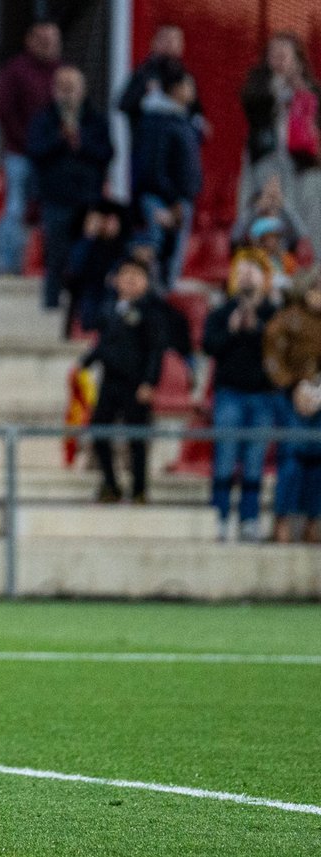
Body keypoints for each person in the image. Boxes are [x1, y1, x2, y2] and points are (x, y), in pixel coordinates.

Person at [203, 257, 281, 542]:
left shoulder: (274, 314)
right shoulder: (221, 312)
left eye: (253, 272)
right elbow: (209, 346)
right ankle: (220, 516)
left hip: (263, 396)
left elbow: (280, 349)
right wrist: (232, 330)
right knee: (224, 457)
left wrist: (257, 329)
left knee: (254, 461)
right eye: (242, 272)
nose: (247, 277)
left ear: (265, 278)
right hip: (229, 394)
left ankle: (249, 518)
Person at [81, 257, 167, 504]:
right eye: (125, 274)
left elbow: (155, 350)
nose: (130, 279)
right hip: (110, 382)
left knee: (137, 438)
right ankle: (110, 483)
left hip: (136, 383)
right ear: (116, 280)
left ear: (146, 281)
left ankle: (139, 488)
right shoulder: (109, 309)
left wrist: (149, 382)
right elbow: (103, 343)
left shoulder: (151, 311)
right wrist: (87, 362)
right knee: (99, 430)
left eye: (137, 275)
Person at [27, 65, 113, 311]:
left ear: (82, 90)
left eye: (71, 88)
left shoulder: (95, 119)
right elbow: (35, 151)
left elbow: (107, 153)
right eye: (61, 88)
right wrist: (60, 139)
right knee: (55, 257)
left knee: (86, 256)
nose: (66, 94)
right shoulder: (44, 119)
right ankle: (51, 306)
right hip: (55, 199)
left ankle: (82, 310)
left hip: (87, 198)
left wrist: (80, 142)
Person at [0, 20, 61, 275]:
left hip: (52, 156)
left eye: (52, 40)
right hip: (20, 153)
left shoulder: (61, 73)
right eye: (43, 40)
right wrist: (27, 142)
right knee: (15, 208)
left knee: (52, 211)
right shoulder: (16, 71)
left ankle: (48, 266)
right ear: (29, 41)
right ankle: (8, 266)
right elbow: (4, 110)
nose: (48, 45)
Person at [240, 33, 321, 250]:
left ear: (296, 58)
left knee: (310, 212)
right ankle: (273, 257)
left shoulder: (309, 89)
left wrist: (300, 90)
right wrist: (277, 89)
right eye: (274, 54)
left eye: (284, 54)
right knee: (273, 209)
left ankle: (312, 259)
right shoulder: (260, 83)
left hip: (303, 163)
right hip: (268, 159)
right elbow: (251, 107)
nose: (279, 59)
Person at [263, 269, 321, 543]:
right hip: (290, 398)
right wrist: (293, 387)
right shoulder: (286, 319)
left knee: (318, 460)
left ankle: (313, 520)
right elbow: (273, 358)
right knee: (291, 458)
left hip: (319, 396)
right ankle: (282, 519)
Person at [131, 70, 201, 290]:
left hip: (178, 200)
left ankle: (163, 298)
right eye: (188, 86)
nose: (193, 91)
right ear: (175, 89)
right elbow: (153, 167)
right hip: (161, 201)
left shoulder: (182, 119)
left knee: (171, 265)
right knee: (155, 258)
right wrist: (172, 200)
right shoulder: (157, 120)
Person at [64, 200, 129, 333]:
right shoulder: (85, 244)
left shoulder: (124, 246)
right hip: (89, 289)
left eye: (113, 221)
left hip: (114, 290)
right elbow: (76, 268)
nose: (108, 225)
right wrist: (89, 236)